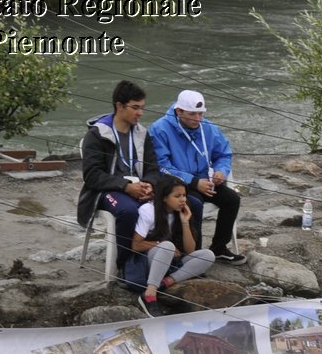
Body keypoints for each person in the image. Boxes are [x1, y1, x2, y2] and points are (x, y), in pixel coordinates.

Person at [148, 90, 246, 264]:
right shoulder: (159, 129)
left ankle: (218, 248)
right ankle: (196, 255)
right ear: (179, 111)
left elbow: (224, 154)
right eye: (192, 114)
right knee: (194, 204)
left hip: (204, 180)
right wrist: (192, 181)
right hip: (177, 183)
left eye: (201, 113)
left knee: (232, 199)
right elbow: (162, 166)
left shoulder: (207, 127)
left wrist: (221, 171)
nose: (197, 119)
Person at [77, 80, 162, 268]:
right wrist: (125, 186)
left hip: (137, 187)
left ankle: (172, 258)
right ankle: (126, 264)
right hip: (106, 190)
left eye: (142, 108)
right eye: (135, 108)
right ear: (119, 106)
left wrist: (149, 183)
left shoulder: (141, 133)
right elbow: (92, 176)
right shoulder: (98, 134)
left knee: (184, 202)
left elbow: (153, 167)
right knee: (128, 210)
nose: (140, 113)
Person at [127, 175, 215, 313]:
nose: (183, 200)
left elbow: (190, 250)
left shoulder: (180, 212)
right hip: (149, 261)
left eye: (184, 195)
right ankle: (149, 294)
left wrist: (185, 222)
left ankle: (164, 284)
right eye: (177, 196)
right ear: (164, 197)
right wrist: (160, 245)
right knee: (167, 246)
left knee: (208, 255)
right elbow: (136, 245)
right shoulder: (148, 211)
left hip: (171, 263)